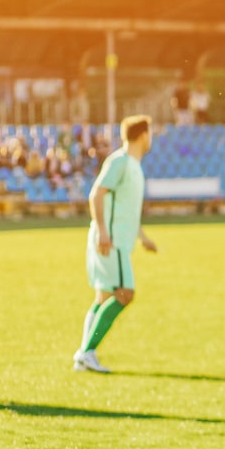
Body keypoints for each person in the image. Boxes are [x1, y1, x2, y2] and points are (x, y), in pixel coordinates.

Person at [73, 115, 158, 373]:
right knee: (125, 294)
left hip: (117, 241)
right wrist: (102, 231)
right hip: (112, 243)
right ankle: (86, 351)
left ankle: (85, 354)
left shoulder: (132, 165)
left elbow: (126, 209)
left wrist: (143, 237)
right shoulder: (120, 161)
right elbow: (96, 193)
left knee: (104, 296)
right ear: (143, 135)